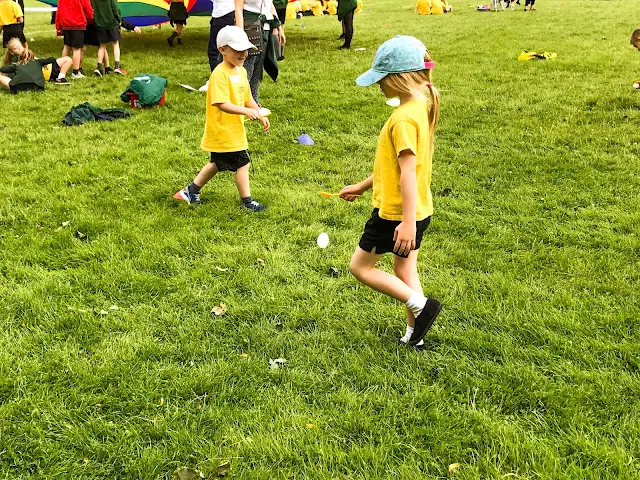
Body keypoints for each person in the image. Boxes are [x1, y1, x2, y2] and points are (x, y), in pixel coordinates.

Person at [339, 36, 442, 350]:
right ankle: (415, 335)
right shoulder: (420, 107)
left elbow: (407, 174)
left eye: (382, 79)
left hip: (397, 214)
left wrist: (406, 222)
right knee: (404, 268)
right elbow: (396, 168)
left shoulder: (402, 120)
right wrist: (363, 184)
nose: (379, 86)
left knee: (360, 267)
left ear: (398, 78)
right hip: (419, 209)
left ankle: (421, 306)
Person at [174, 26, 270, 212]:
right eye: (237, 50)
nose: (243, 54)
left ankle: (190, 192)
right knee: (243, 163)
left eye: (245, 49)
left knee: (218, 163)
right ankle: (247, 202)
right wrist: (244, 111)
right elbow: (221, 103)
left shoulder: (241, 72)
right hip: (223, 130)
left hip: (234, 130)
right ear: (222, 50)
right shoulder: (219, 74)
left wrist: (258, 112)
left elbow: (248, 97)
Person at [235, 0, 284, 104]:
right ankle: (239, 103)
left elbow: (269, 5)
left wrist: (279, 27)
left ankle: (254, 101)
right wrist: (240, 36)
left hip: (265, 28)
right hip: (249, 27)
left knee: (257, 69)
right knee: (247, 69)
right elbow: (238, 10)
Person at [0, 37, 72, 92]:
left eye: (20, 46)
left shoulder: (28, 55)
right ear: (12, 52)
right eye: (16, 48)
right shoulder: (15, 63)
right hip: (42, 75)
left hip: (49, 68)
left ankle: (60, 78)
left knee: (67, 59)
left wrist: (44, 62)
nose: (19, 49)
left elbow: (40, 61)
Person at [56, 0, 94, 78]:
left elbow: (59, 10)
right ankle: (75, 72)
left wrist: (59, 25)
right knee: (77, 48)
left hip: (65, 22)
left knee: (66, 46)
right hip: (78, 22)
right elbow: (87, 7)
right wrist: (90, 18)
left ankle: (60, 69)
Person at [93, 0, 126, 75]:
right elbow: (115, 8)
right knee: (115, 44)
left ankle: (99, 67)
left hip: (99, 23)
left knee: (102, 46)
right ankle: (117, 67)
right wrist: (118, 19)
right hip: (112, 23)